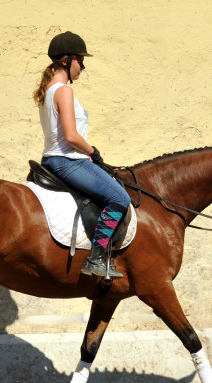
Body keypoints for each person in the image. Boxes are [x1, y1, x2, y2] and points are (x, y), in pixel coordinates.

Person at [33, 31, 131, 279]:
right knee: (119, 197)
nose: (83, 67)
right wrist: (94, 152)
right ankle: (97, 259)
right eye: (80, 60)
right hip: (66, 161)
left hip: (56, 159)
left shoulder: (49, 90)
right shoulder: (63, 91)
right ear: (66, 61)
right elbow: (71, 136)